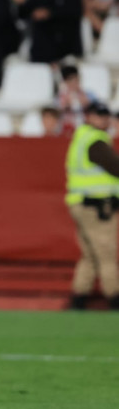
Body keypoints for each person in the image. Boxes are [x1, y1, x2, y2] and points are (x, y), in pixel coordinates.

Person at [65, 102, 119, 310]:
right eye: (100, 115)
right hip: (96, 206)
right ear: (89, 116)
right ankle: (114, 297)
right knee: (106, 254)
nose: (104, 120)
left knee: (89, 255)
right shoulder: (95, 141)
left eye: (106, 116)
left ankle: (79, 298)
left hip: (82, 203)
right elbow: (115, 167)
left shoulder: (82, 137)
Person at [22, 0, 83, 65]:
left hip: (67, 46)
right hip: (42, 48)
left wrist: (50, 13)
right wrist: (32, 11)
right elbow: (24, 11)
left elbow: (74, 12)